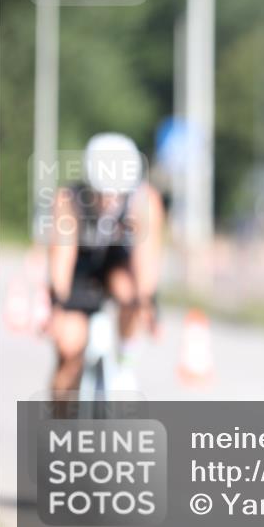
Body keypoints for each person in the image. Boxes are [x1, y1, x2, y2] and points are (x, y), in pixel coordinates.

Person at [46, 132, 165, 401]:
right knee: (69, 346)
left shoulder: (144, 201)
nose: (111, 200)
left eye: (117, 193)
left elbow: (147, 256)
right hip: (81, 267)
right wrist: (57, 305)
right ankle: (58, 426)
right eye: (104, 193)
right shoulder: (69, 200)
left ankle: (125, 361)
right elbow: (62, 258)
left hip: (117, 262)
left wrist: (148, 302)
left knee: (130, 293)